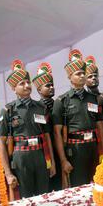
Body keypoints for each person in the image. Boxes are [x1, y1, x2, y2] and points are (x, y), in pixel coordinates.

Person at [0, 60, 56, 198]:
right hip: (21, 158)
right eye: (21, 83)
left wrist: (52, 162)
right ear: (13, 88)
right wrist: (8, 173)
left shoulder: (41, 107)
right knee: (26, 197)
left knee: (44, 195)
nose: (26, 86)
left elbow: (47, 136)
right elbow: (1, 142)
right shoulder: (8, 110)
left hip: (41, 156)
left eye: (28, 82)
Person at [52, 49, 103, 188]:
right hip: (75, 150)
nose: (82, 76)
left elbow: (99, 127)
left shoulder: (94, 99)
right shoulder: (62, 101)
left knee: (97, 185)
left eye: (83, 73)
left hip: (93, 147)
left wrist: (102, 151)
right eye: (78, 74)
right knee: (79, 186)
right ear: (70, 77)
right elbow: (57, 133)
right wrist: (63, 160)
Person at [32, 62, 61, 191]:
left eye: (52, 85)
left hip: (61, 147)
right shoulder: (36, 108)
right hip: (45, 150)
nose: (51, 88)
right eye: (48, 85)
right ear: (39, 90)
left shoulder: (60, 104)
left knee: (61, 183)